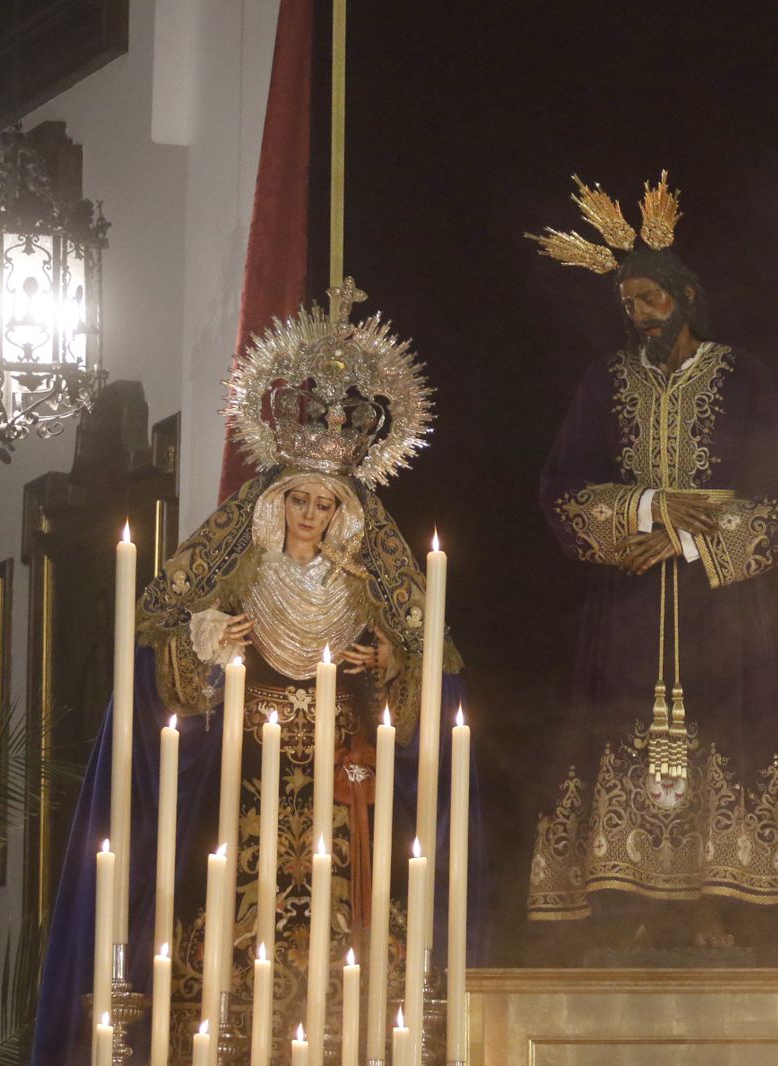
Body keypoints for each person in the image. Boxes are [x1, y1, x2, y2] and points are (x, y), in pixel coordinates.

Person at [33, 280, 473, 1062]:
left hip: (344, 782)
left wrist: (394, 662)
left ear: (345, 512)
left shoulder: (364, 585)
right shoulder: (239, 572)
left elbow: (433, 686)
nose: (310, 515)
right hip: (242, 781)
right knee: (219, 915)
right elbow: (159, 660)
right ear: (278, 503)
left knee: (359, 923)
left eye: (324, 505)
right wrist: (202, 645)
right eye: (298, 500)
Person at [523, 173, 778, 952]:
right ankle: (642, 900)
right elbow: (559, 487)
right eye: (629, 307)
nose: (642, 317)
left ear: (685, 298)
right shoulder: (604, 382)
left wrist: (691, 538)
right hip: (628, 604)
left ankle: (713, 899)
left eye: (652, 302)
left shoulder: (742, 376)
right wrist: (645, 512)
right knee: (624, 729)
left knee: (718, 730)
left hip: (721, 603)